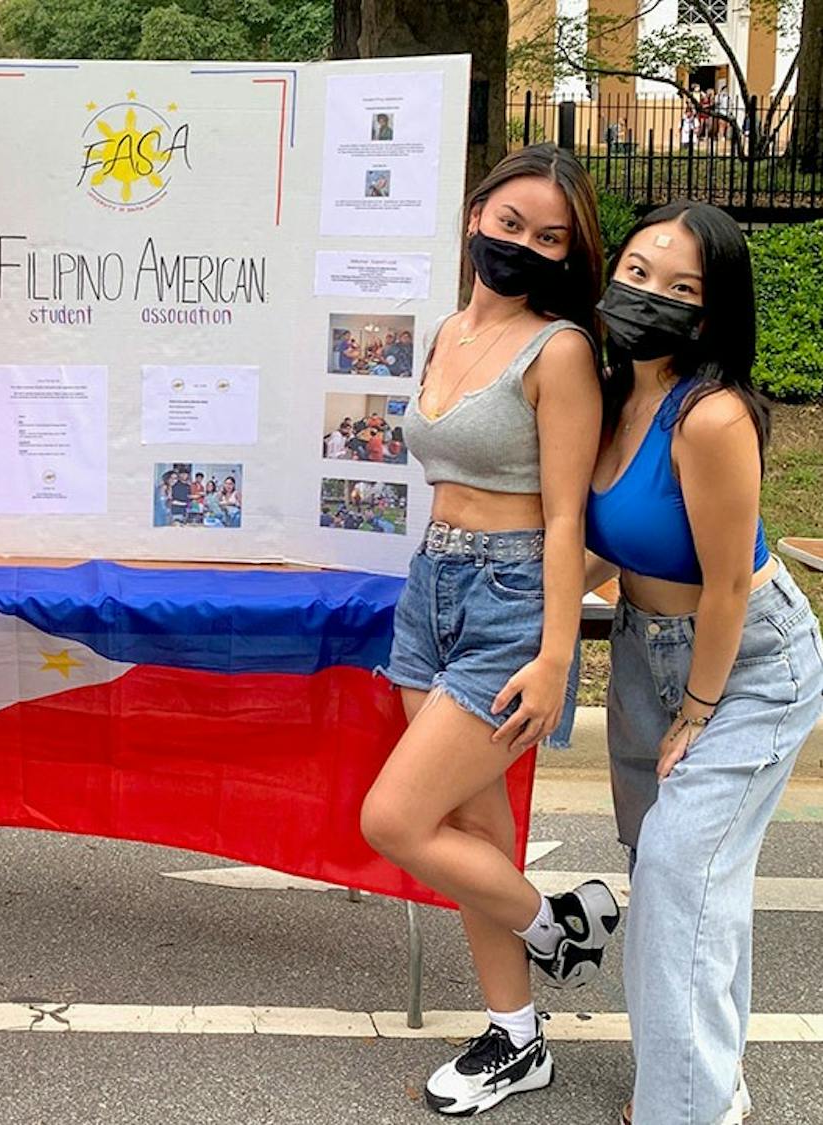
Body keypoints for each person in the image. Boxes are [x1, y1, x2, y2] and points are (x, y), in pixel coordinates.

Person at [359, 144, 617, 1116]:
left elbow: (565, 518)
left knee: (394, 819)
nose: (523, 246)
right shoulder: (444, 330)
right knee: (470, 827)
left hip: (511, 603)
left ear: (567, 255)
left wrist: (556, 655)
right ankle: (519, 1038)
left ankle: (566, 926)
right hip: (432, 590)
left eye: (549, 238)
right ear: (475, 216)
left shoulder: (560, 351)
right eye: (510, 224)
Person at [586, 202, 823, 1125]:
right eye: (639, 271)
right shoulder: (613, 394)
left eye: (683, 288)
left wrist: (696, 712)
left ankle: (685, 1107)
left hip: (744, 663)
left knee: (684, 874)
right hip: (648, 653)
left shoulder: (712, 415)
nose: (650, 296)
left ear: (714, 311)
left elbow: (726, 583)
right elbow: (619, 544)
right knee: (681, 875)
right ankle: (706, 1077)